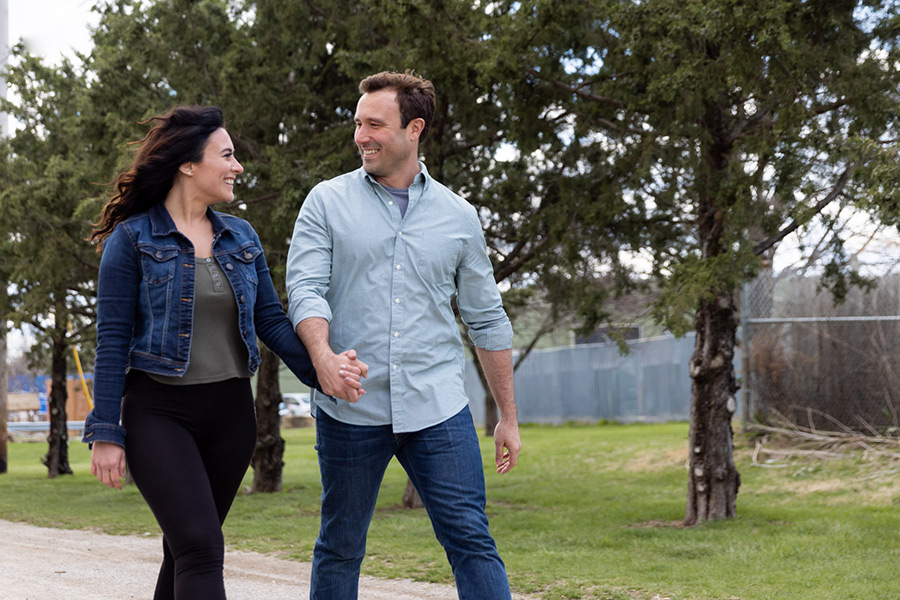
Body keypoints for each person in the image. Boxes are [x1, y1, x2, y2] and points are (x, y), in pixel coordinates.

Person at [82, 105, 367, 600]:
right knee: (199, 546)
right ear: (189, 164)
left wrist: (324, 368)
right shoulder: (132, 240)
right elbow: (110, 341)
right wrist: (106, 431)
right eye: (228, 155)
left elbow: (270, 322)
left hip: (231, 416)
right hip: (159, 413)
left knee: (185, 550)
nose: (238, 167)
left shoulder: (241, 237)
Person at [286, 71, 522, 600]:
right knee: (340, 545)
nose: (361, 135)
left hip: (437, 407)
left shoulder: (458, 217)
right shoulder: (325, 202)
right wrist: (322, 356)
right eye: (357, 123)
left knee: (470, 538)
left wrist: (507, 416)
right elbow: (305, 289)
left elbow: (486, 318)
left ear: (414, 128)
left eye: (375, 124)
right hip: (351, 408)